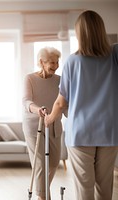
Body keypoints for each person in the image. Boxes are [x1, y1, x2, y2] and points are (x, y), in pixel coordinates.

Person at [44, 10, 118, 200]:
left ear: (79, 34)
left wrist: (50, 118)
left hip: (80, 132)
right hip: (109, 131)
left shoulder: (72, 62)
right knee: (105, 186)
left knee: (84, 188)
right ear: (101, 30)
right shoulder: (114, 56)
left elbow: (61, 102)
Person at [22, 46, 66, 200]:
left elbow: (64, 103)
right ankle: (43, 197)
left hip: (54, 125)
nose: (56, 66)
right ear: (41, 62)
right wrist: (37, 110)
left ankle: (42, 192)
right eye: (52, 63)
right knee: (40, 164)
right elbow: (26, 101)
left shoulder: (60, 80)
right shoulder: (30, 78)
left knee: (54, 162)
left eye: (57, 62)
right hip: (35, 126)